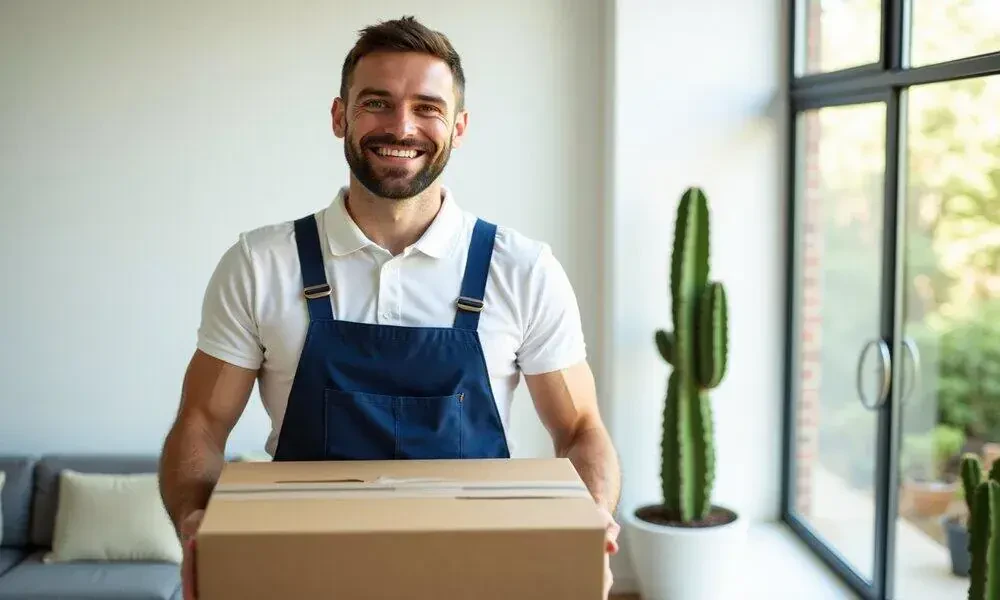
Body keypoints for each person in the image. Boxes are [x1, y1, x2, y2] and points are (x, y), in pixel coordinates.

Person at [158, 15, 622, 600]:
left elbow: (580, 429)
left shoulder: (523, 270)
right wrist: (196, 521)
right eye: (376, 103)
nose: (401, 126)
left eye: (427, 107)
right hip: (301, 576)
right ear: (339, 116)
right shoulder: (259, 264)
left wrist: (591, 520)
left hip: (479, 576)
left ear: (458, 127)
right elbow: (201, 423)